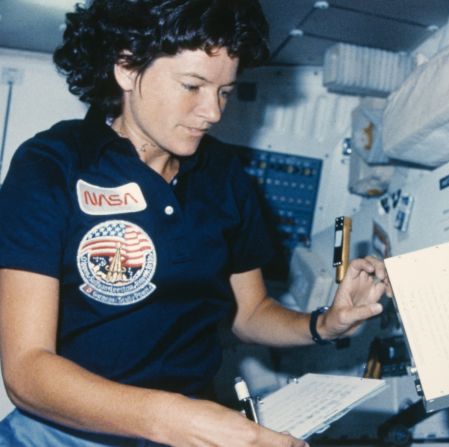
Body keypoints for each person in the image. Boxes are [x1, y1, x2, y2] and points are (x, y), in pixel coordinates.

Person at [0, 0, 391, 445]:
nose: (213, 112)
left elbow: (250, 312)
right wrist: (171, 418)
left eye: (224, 91)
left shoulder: (223, 175)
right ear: (127, 68)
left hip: (183, 429)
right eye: (193, 86)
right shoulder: (53, 164)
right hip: (62, 434)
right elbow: (27, 370)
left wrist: (324, 325)